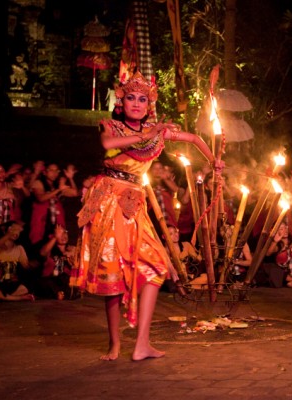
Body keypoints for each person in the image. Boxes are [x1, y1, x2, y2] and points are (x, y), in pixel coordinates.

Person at [69, 70, 224, 362]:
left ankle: (142, 343)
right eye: (131, 98)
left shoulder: (156, 131)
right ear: (121, 100)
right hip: (109, 202)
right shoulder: (111, 126)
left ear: (149, 104)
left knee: (156, 267)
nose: (137, 103)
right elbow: (107, 145)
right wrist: (147, 133)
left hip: (134, 203)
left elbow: (191, 138)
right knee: (112, 277)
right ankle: (114, 344)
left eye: (142, 99)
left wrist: (212, 160)